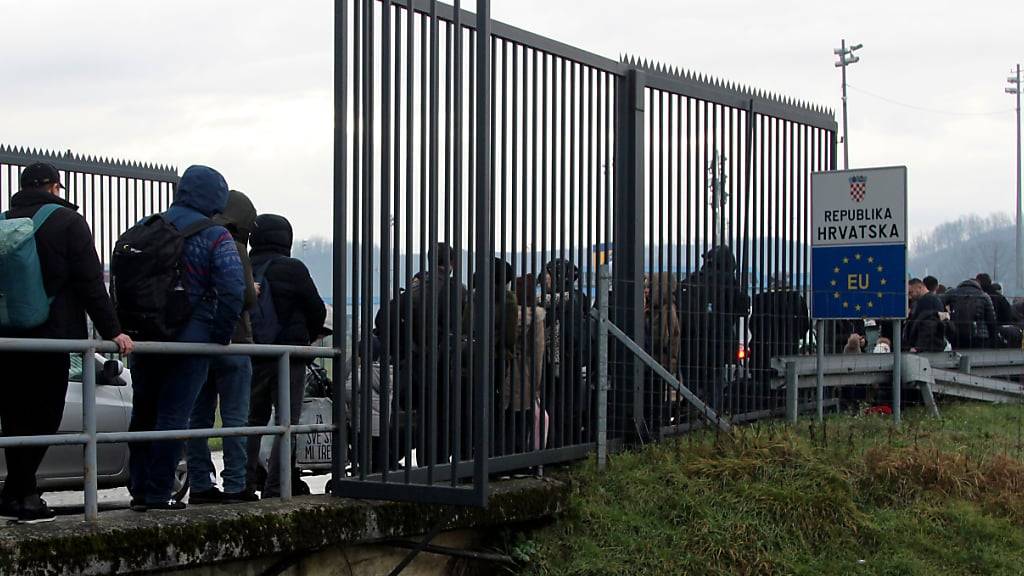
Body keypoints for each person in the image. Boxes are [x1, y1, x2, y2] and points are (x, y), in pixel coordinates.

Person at [0, 163, 134, 524]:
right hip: (51, 335)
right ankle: (22, 494)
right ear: (55, 187)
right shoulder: (68, 222)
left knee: (14, 417)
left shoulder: (4, 222)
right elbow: (90, 281)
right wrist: (113, 331)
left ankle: (18, 492)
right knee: (44, 415)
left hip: (8, 338)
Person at [127, 165, 244, 512]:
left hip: (145, 337)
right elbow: (233, 290)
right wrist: (218, 337)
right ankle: (160, 492)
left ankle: (139, 490)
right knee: (174, 417)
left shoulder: (147, 226)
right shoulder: (215, 236)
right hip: (190, 340)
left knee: (143, 414)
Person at [244, 214, 326, 498]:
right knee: (285, 422)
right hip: (288, 356)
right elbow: (316, 308)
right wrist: (312, 332)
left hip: (251, 353)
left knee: (251, 420)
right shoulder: (292, 269)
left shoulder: (245, 267)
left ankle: (244, 481)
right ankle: (276, 485)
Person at [186, 190, 259, 504]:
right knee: (234, 419)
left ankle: (200, 484)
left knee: (198, 418)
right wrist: (252, 289)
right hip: (234, 341)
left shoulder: (191, 239)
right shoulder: (233, 245)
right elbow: (244, 296)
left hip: (197, 342)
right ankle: (235, 484)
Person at [540, 258, 592, 446]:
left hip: (558, 360)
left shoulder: (560, 299)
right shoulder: (579, 297)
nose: (544, 277)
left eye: (548, 273)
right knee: (569, 404)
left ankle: (556, 446)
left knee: (556, 405)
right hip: (574, 359)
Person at [748, 274, 810, 383]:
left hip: (761, 356)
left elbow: (753, 326)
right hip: (789, 353)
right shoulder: (797, 300)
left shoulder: (759, 300)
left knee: (760, 390)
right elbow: (804, 326)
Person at [942, 278, 997, 349]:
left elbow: (939, 303)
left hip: (957, 334)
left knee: (958, 357)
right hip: (979, 336)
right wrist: (992, 338)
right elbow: (991, 320)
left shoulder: (952, 292)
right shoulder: (984, 295)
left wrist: (947, 315)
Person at [903, 278, 946, 352]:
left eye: (911, 292)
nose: (909, 296)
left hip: (926, 348)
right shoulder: (923, 301)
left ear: (919, 287)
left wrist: (919, 347)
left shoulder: (929, 301)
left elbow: (929, 326)